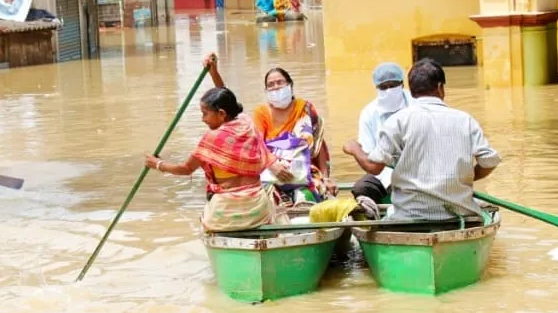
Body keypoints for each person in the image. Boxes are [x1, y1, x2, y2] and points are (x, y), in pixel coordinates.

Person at [343, 59, 502, 222]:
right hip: (459, 214)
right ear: (440, 87)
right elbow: (489, 162)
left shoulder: (397, 121)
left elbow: (373, 167)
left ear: (409, 91)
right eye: (384, 87)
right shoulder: (466, 120)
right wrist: (466, 177)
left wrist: (354, 148)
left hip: (408, 216)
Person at [144, 86, 289, 232]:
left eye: (205, 114)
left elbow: (186, 169)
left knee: (204, 221)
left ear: (221, 113)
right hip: (257, 208)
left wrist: (157, 164)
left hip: (225, 212)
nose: (202, 119)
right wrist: (213, 71)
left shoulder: (212, 138)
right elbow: (229, 100)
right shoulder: (247, 124)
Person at [206, 53, 334, 204]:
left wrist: (327, 179)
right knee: (266, 197)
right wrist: (273, 166)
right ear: (266, 91)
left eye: (280, 82)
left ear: (290, 86)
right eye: (271, 85)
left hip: (304, 171)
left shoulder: (305, 108)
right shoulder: (262, 113)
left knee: (313, 192)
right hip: (271, 171)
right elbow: (256, 143)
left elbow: (319, 147)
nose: (276, 87)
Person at [349, 62, 414, 216]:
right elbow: (370, 156)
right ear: (377, 88)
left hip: (417, 169)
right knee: (361, 188)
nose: (389, 91)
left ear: (402, 84)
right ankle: (373, 223)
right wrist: (391, 181)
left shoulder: (415, 104)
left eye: (393, 85)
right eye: (383, 87)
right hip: (384, 171)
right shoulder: (369, 113)